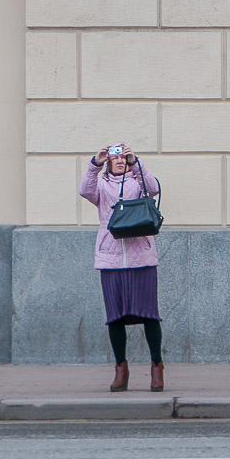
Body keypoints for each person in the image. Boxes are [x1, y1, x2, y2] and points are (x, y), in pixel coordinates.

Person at [78, 144, 165, 392]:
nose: (119, 161)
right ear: (108, 163)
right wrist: (95, 164)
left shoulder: (138, 182)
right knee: (115, 316)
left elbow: (154, 188)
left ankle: (157, 367)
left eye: (122, 158)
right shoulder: (101, 186)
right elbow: (84, 190)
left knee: (150, 315)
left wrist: (136, 162)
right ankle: (121, 369)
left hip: (142, 258)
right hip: (111, 259)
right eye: (114, 158)